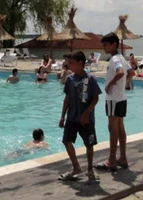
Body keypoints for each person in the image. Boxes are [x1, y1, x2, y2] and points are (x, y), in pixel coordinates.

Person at [58, 51, 101, 182]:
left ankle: (89, 169)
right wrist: (62, 116)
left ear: (80, 63)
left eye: (71, 63)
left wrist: (87, 112)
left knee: (89, 144)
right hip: (72, 117)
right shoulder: (70, 79)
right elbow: (67, 98)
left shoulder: (91, 79)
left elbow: (95, 98)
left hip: (86, 119)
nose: (68, 65)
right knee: (66, 141)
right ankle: (76, 167)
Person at [96, 33, 135, 172]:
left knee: (112, 129)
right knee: (120, 128)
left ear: (114, 44)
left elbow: (120, 73)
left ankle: (112, 160)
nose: (104, 48)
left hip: (113, 99)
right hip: (122, 98)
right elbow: (131, 73)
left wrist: (109, 85)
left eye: (106, 45)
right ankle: (122, 158)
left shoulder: (114, 59)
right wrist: (122, 86)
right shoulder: (122, 59)